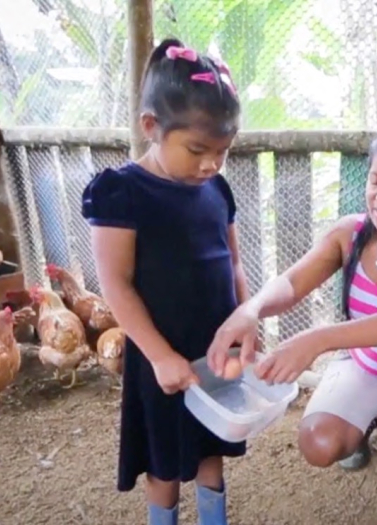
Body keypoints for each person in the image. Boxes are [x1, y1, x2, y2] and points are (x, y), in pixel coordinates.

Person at [207, 125, 377, 522]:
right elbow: (292, 283)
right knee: (319, 445)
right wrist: (252, 309)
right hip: (364, 368)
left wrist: (318, 339)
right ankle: (360, 426)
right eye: (376, 181)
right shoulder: (350, 233)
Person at [82, 37, 247, 525]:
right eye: (197, 149)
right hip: (161, 351)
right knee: (164, 461)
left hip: (214, 347)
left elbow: (234, 263)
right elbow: (115, 283)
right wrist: (159, 356)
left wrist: (245, 320)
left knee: (211, 447)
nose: (211, 164)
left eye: (223, 151)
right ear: (151, 127)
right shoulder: (122, 192)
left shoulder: (216, 189)